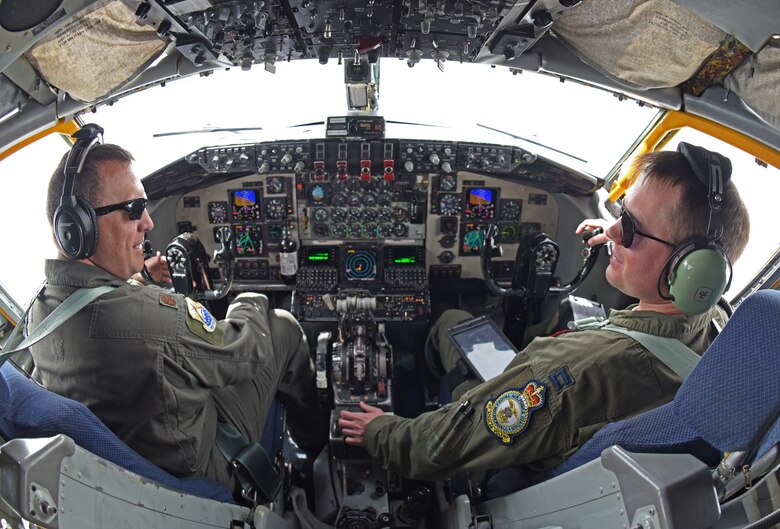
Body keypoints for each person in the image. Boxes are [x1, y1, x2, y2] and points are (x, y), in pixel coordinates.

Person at [339, 145, 750, 481]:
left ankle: (424, 386)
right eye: (620, 213)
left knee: (449, 323)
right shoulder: (720, 322)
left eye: (632, 227)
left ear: (691, 268)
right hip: (575, 425)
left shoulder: (577, 366)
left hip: (502, 459)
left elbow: (441, 444)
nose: (612, 233)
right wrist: (625, 234)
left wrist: (383, 432)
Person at [29, 140, 327, 490]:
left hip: (141, 444)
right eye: (134, 209)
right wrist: (250, 296)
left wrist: (143, 278)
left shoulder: (42, 311)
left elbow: (111, 314)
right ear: (78, 227)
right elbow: (246, 351)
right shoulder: (152, 321)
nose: (149, 222)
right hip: (199, 464)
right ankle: (317, 444)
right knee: (282, 327)